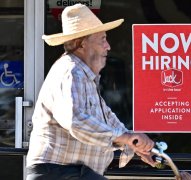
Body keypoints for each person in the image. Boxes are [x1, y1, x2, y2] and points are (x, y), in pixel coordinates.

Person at [26, 4, 156, 179]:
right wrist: (126, 137)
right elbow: (76, 120)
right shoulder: (71, 72)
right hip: (61, 172)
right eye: (102, 39)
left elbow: (106, 120)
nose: (108, 46)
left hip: (71, 173)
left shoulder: (83, 76)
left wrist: (133, 142)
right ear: (82, 44)